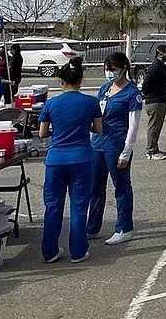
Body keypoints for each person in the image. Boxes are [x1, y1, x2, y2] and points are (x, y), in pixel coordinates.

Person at [39, 58, 102, 264]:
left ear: (60, 81)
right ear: (81, 81)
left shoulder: (51, 103)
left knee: (53, 206)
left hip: (56, 158)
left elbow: (42, 133)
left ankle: (49, 251)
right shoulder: (91, 102)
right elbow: (98, 129)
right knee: (79, 205)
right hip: (82, 157)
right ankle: (78, 250)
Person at [87, 52, 142, 246]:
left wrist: (126, 152)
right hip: (97, 144)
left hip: (116, 145)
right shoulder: (104, 89)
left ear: (123, 69)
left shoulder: (132, 93)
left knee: (121, 187)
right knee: (95, 187)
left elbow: (134, 126)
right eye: (107, 70)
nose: (109, 73)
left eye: (113, 70)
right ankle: (92, 226)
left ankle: (124, 227)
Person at [141, 44, 166, 160]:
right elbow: (146, 84)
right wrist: (150, 94)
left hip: (160, 100)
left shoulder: (161, 66)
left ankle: (154, 148)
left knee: (157, 126)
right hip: (155, 101)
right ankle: (151, 151)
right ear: (160, 54)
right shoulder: (156, 67)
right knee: (154, 127)